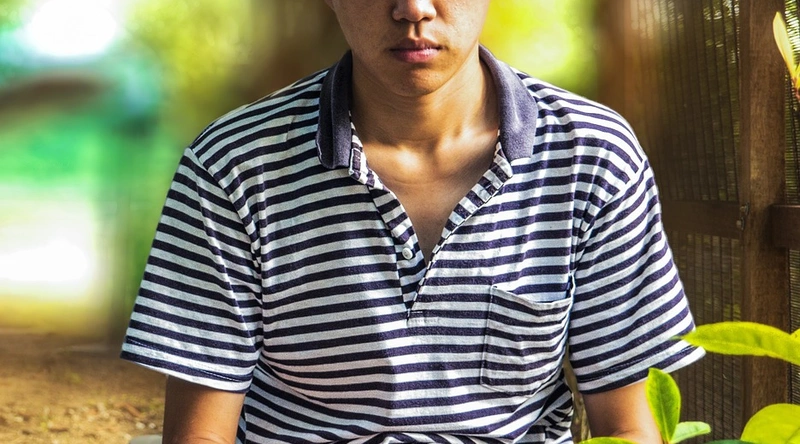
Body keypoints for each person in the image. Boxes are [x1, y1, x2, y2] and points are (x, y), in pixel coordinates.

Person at [120, 1, 704, 443]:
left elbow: (628, 426)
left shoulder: (592, 155)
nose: (413, 9)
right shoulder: (233, 165)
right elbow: (201, 433)